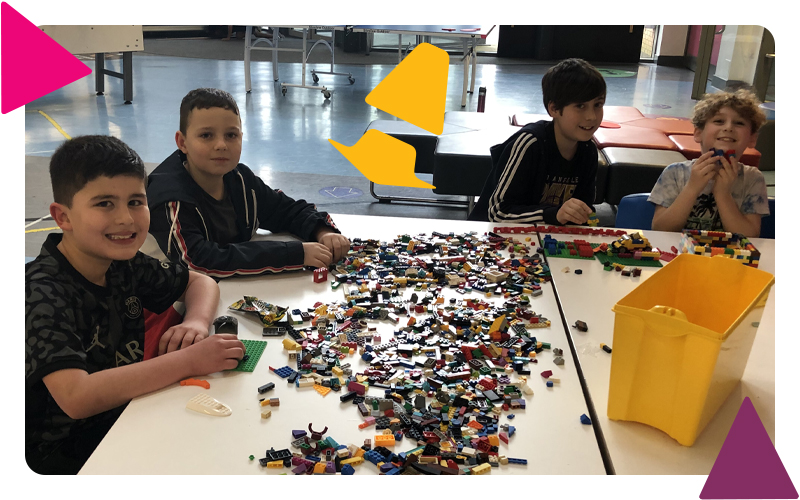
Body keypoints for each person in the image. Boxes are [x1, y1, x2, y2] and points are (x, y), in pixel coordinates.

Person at [26, 136, 246, 475]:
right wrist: (188, 360)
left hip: (124, 416)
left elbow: (199, 281)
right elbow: (77, 397)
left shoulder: (120, 262)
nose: (127, 219)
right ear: (63, 217)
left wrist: (198, 323)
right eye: (104, 204)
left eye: (135, 201)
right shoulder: (40, 291)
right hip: (60, 457)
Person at [147, 88, 350, 279]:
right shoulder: (170, 198)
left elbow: (284, 209)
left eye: (231, 135)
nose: (221, 145)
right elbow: (197, 262)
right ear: (182, 142)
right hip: (175, 306)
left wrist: (322, 231)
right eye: (206, 135)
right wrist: (294, 254)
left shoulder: (240, 179)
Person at [468, 58, 606, 224]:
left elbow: (584, 209)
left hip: (549, 241)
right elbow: (498, 213)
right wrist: (553, 215)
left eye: (598, 104)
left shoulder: (588, 150)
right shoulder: (530, 144)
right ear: (553, 109)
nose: (591, 116)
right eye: (580, 106)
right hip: (494, 239)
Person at [649, 89, 768, 237]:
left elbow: (749, 237)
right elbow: (660, 229)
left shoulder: (752, 179)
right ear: (698, 133)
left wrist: (723, 194)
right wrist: (692, 188)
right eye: (719, 121)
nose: (728, 127)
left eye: (739, 123)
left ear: (752, 139)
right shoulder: (674, 173)